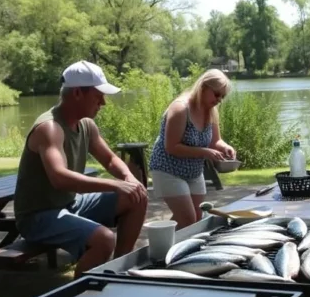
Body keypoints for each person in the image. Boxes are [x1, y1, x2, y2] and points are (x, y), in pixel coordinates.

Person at [13, 60, 148, 278]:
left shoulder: (86, 124)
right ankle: (79, 295)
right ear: (77, 93)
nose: (103, 102)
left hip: (69, 204)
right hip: (37, 217)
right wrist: (116, 184)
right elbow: (60, 178)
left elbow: (111, 159)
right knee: (104, 239)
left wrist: (129, 178)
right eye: (98, 96)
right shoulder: (50, 128)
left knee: (138, 196)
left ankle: (120, 270)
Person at [148, 69, 236, 229]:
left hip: (194, 172)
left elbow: (216, 141)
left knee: (195, 219)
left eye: (222, 97)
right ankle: (163, 247)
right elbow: (171, 146)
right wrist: (204, 152)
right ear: (203, 87)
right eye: (216, 94)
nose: (219, 100)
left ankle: (163, 241)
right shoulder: (181, 108)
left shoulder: (211, 110)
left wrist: (226, 147)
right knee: (187, 218)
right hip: (167, 170)